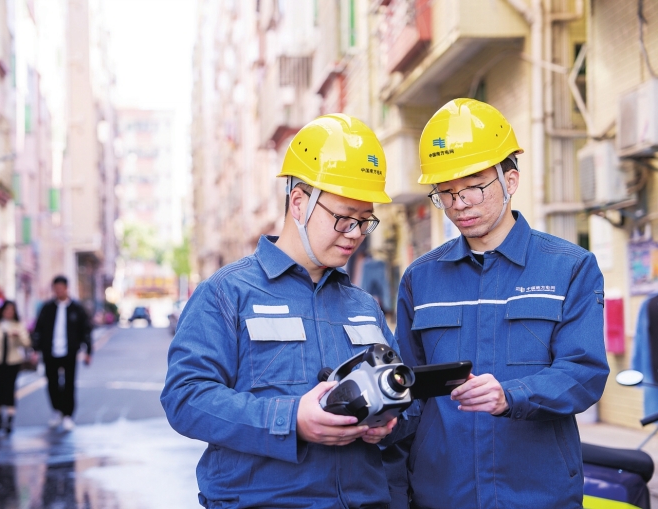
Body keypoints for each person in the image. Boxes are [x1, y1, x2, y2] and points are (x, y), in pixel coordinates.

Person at [161, 114, 405, 508]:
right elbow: (185, 398)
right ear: (298, 202)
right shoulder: (228, 293)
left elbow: (402, 407)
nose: (355, 234)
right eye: (343, 218)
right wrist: (290, 420)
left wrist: (386, 423)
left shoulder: (362, 306)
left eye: (364, 222)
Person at [393, 98, 609, 508]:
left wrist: (512, 395)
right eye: (446, 192)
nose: (460, 203)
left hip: (537, 493)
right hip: (441, 494)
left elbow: (583, 373)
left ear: (510, 180)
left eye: (473, 186)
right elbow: (408, 393)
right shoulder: (420, 280)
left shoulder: (569, 268)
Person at [32, 275, 92, 431]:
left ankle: (68, 415)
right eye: (55, 288)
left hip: (69, 352)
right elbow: (38, 330)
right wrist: (35, 350)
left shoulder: (77, 309)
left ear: (66, 288)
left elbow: (86, 330)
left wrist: (88, 351)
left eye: (61, 288)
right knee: (52, 384)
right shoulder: (47, 308)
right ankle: (57, 411)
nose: (58, 291)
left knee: (69, 385)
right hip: (50, 352)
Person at [0, 300, 34, 435]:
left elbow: (27, 343)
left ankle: (10, 419)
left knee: (10, 388)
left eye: (11, 310)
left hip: (13, 362)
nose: (9, 312)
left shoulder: (18, 325)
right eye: (7, 310)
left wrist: (18, 336)